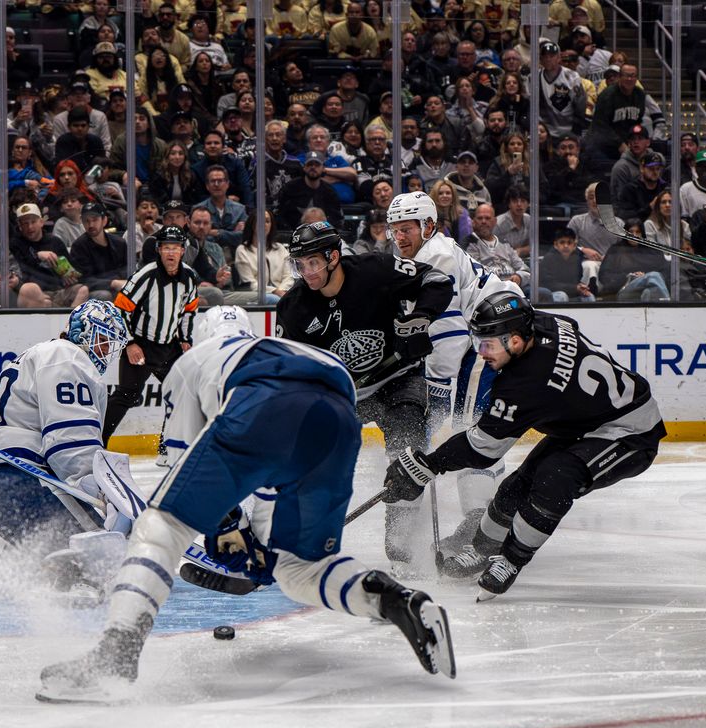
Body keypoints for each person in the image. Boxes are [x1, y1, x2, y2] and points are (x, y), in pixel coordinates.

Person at [37, 306, 455, 702]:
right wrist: (257, 541)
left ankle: (116, 654)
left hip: (262, 404)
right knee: (298, 568)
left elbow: (189, 464)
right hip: (339, 420)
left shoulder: (193, 362)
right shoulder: (288, 349)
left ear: (199, 336)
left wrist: (227, 526)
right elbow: (274, 469)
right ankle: (398, 601)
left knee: (160, 527)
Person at [383, 291, 666, 598]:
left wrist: (428, 465)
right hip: (588, 422)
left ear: (515, 341)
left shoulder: (525, 385)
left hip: (631, 432)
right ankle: (482, 550)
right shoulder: (544, 323)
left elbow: (483, 448)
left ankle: (511, 560)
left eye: (488, 344)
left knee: (555, 478)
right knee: (515, 488)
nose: (482, 352)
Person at [275, 221, 452, 572]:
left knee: (406, 455)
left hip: (400, 376)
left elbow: (437, 281)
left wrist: (420, 318)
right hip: (345, 393)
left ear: (334, 257)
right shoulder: (293, 308)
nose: (306, 272)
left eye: (313, 262)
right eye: (300, 264)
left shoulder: (375, 269)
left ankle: (400, 546)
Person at [0, 299, 140, 587]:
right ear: (81, 331)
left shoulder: (41, 354)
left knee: (43, 543)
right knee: (101, 541)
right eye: (102, 339)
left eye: (110, 344)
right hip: (17, 480)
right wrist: (101, 493)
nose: (106, 350)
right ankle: (72, 583)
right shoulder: (68, 357)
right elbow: (69, 443)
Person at [386, 191, 523, 560]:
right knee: (477, 428)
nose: (399, 237)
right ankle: (486, 516)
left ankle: (481, 521)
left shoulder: (437, 257)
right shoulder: (422, 256)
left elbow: (449, 336)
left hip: (492, 337)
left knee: (470, 429)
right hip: (492, 334)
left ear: (428, 226)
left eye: (407, 229)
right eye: (394, 230)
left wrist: (437, 392)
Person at [101, 225, 200, 445]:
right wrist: (129, 343)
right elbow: (120, 308)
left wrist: (185, 339)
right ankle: (98, 440)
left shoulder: (190, 278)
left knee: (182, 392)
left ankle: (167, 445)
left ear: (182, 250)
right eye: (166, 247)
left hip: (170, 346)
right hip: (141, 344)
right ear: (159, 250)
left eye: (175, 247)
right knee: (127, 395)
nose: (171, 252)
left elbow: (189, 311)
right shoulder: (146, 276)